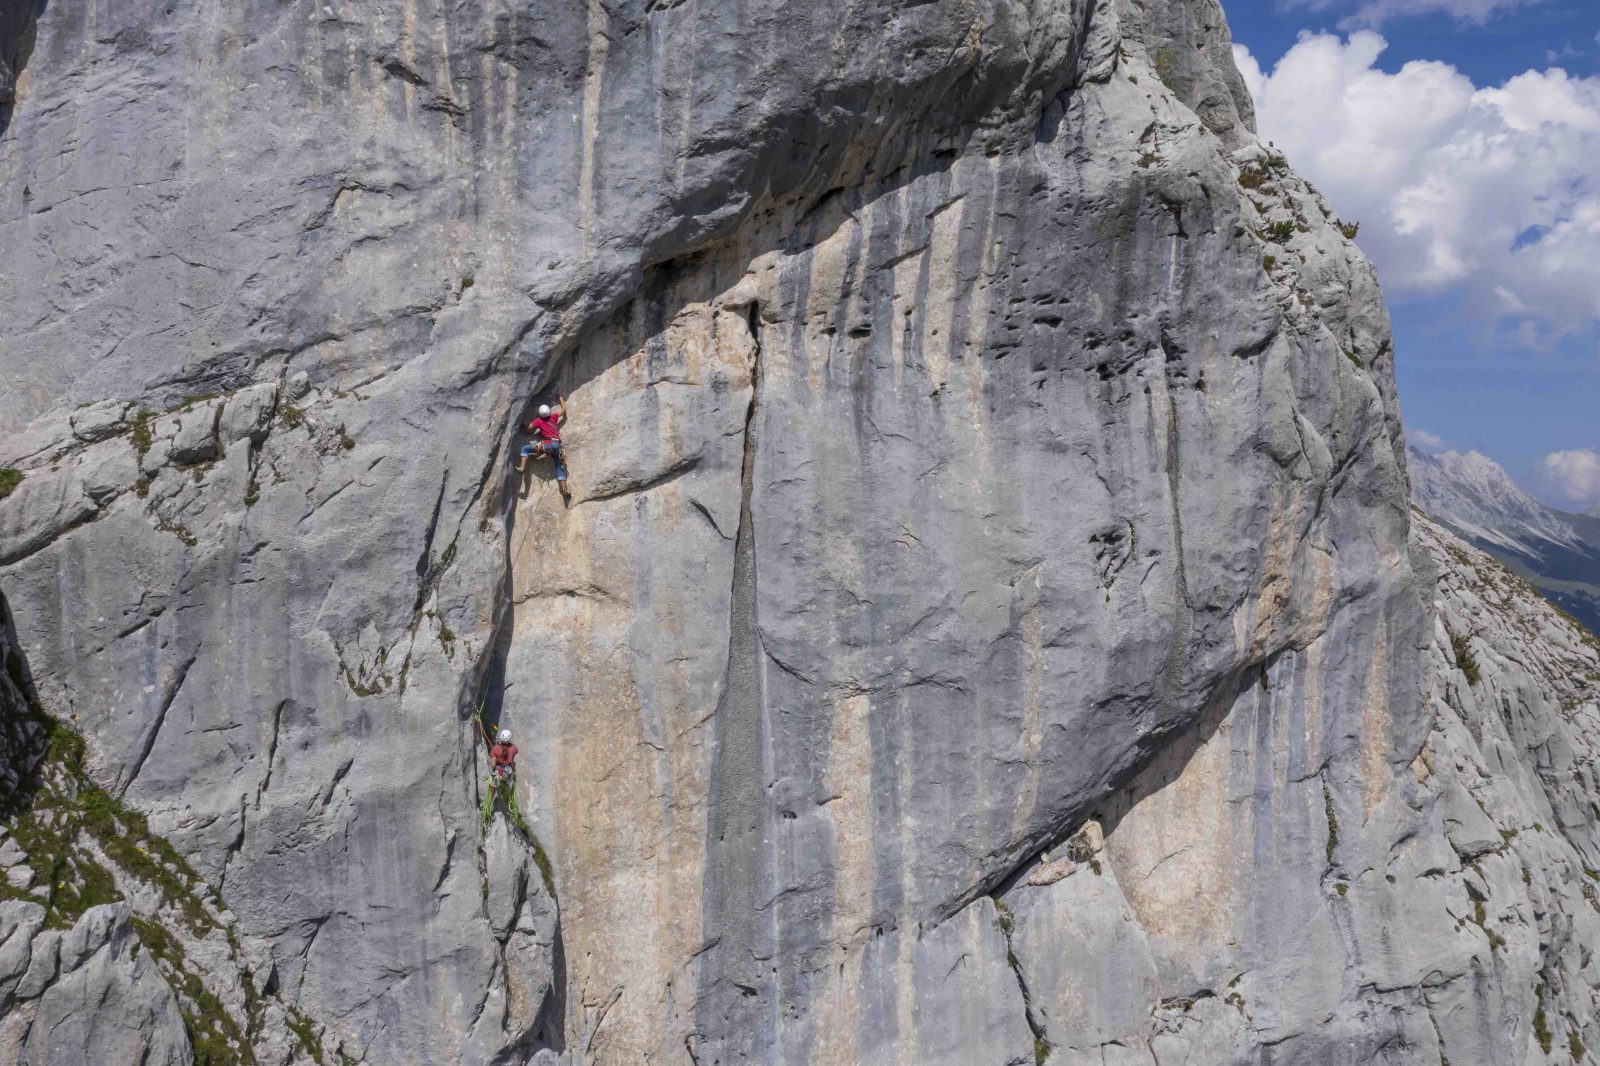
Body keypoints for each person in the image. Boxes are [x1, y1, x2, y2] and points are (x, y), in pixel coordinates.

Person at [517, 394, 569, 500]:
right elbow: (563, 409)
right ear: (549, 412)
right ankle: (564, 489)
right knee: (559, 467)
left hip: (548, 445)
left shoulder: (538, 421)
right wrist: (560, 397)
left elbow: (528, 429)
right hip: (558, 446)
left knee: (525, 449)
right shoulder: (554, 417)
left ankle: (522, 467)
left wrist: (521, 423)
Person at [481, 727, 525, 833]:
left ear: (500, 738)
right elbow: (512, 761)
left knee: (492, 789)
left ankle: (487, 806)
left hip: (499, 772)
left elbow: (493, 764)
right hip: (508, 772)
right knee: (510, 790)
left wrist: (494, 755)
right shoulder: (514, 748)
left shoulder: (496, 749)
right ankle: (510, 807)